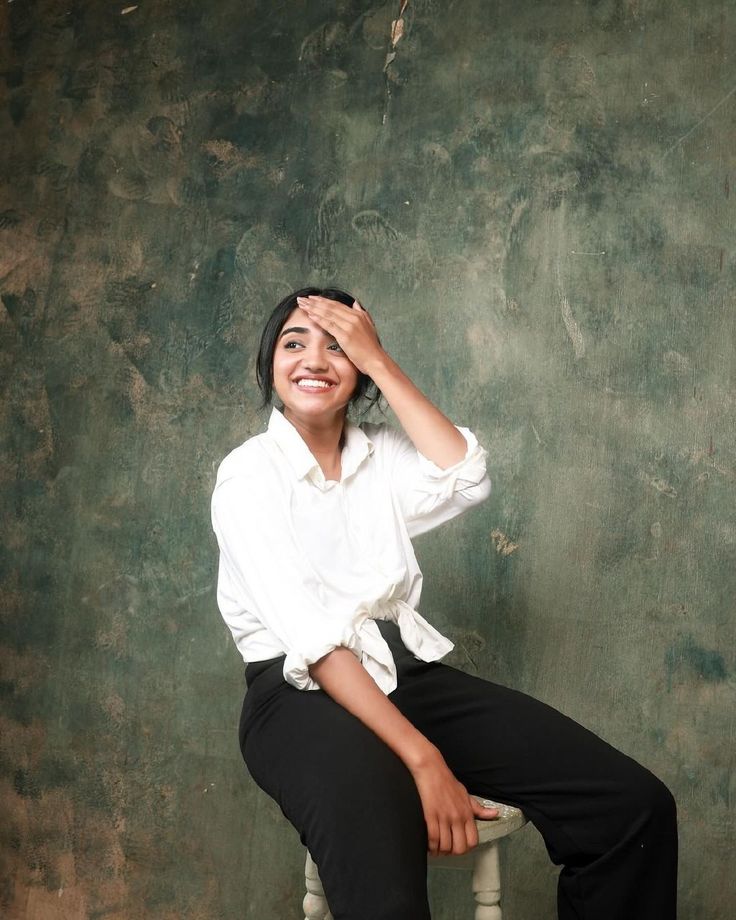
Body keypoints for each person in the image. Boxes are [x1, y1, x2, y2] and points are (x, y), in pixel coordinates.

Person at [210, 287, 678, 920]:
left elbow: (466, 475)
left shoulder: (381, 454)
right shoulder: (248, 476)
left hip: (403, 674)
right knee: (386, 861)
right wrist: (426, 761)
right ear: (270, 362)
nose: (315, 361)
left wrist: (382, 361)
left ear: (361, 368)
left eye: (339, 346)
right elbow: (317, 645)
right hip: (300, 697)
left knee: (631, 808)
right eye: (295, 344)